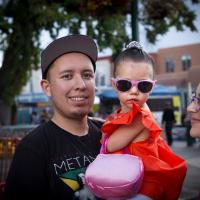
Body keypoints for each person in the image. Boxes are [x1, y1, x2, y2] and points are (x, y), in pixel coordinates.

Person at [3, 35, 102, 200]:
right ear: (47, 87)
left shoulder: (111, 134)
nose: (81, 85)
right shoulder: (32, 149)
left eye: (87, 75)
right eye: (67, 76)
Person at [98, 41, 187, 200]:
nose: (134, 91)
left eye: (143, 86)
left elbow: (110, 145)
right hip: (125, 180)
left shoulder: (140, 117)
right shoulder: (123, 114)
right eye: (125, 84)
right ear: (114, 84)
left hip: (145, 185)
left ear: (152, 87)